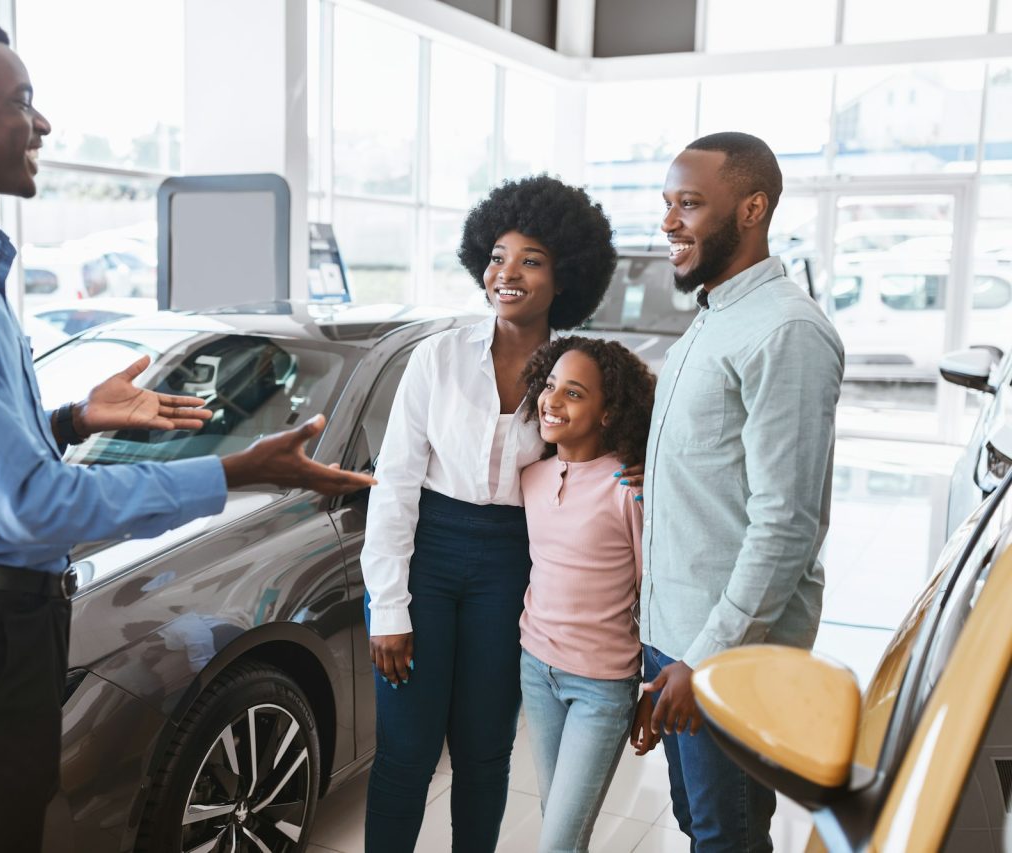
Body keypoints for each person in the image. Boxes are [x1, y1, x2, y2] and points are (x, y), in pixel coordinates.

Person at [0, 11, 373, 853]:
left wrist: (72, 419)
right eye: (23, 101)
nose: (41, 124)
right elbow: (28, 504)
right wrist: (239, 472)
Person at [360, 175, 625, 852]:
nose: (507, 273)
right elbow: (393, 483)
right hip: (426, 555)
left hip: (514, 566)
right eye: (498, 256)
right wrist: (389, 605)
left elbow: (599, 464)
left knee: (483, 750)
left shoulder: (574, 374)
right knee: (406, 751)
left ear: (565, 275)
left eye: (531, 259)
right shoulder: (438, 357)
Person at [638, 132, 844, 851]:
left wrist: (703, 660)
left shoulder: (786, 330)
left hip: (726, 653)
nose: (669, 222)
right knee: (703, 822)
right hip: (675, 639)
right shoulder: (714, 316)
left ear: (752, 208)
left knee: (727, 834)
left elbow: (787, 525)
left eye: (689, 204)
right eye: (667, 204)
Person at [516, 336, 659, 853]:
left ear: (608, 413)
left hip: (602, 687)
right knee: (556, 821)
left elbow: (656, 596)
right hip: (537, 669)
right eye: (550, 386)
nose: (552, 401)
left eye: (574, 393)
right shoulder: (530, 477)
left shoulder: (629, 490)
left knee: (557, 841)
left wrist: (654, 689)